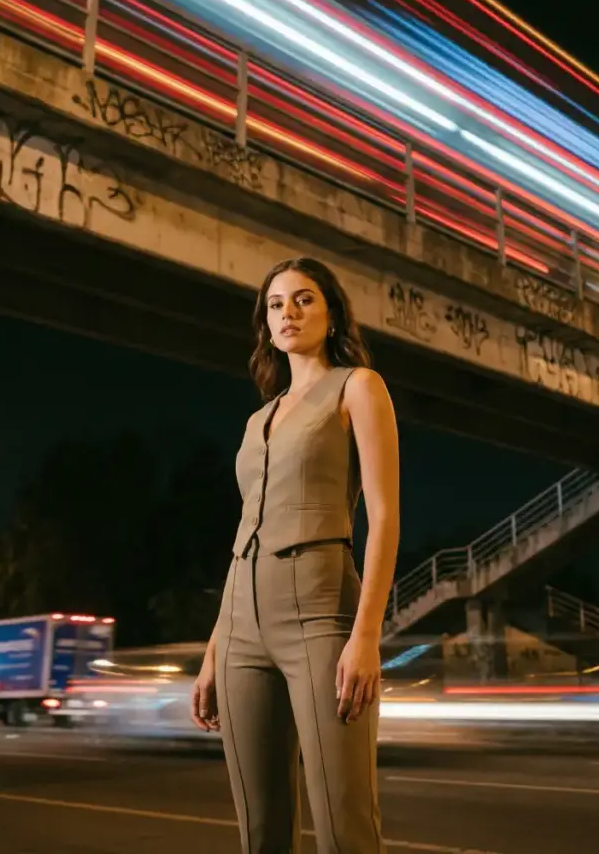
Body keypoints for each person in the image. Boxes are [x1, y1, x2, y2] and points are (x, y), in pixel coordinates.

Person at [192, 255, 400, 853]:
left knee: (344, 825)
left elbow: (384, 516)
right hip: (239, 627)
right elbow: (243, 535)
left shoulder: (358, 387)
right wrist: (213, 650)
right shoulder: (259, 418)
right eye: (277, 304)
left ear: (331, 313)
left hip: (321, 611)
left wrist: (366, 636)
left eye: (304, 299)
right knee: (261, 831)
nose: (289, 313)